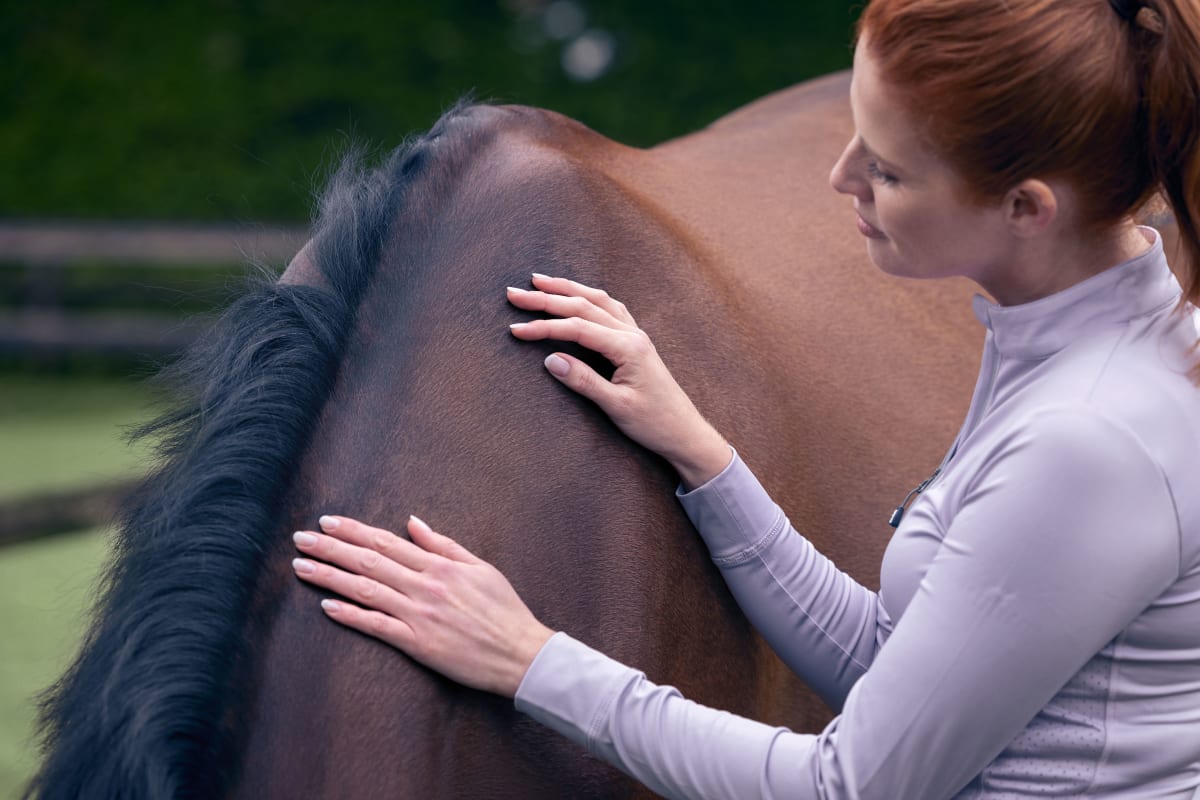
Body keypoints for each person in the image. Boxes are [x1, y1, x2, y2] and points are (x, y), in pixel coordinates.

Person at [287, 0, 1200, 796]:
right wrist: (701, 454)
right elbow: (890, 667)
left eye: (887, 171)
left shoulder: (1087, 439)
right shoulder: (1065, 347)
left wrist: (529, 659)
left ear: (1026, 210)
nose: (840, 178)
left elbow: (847, 782)